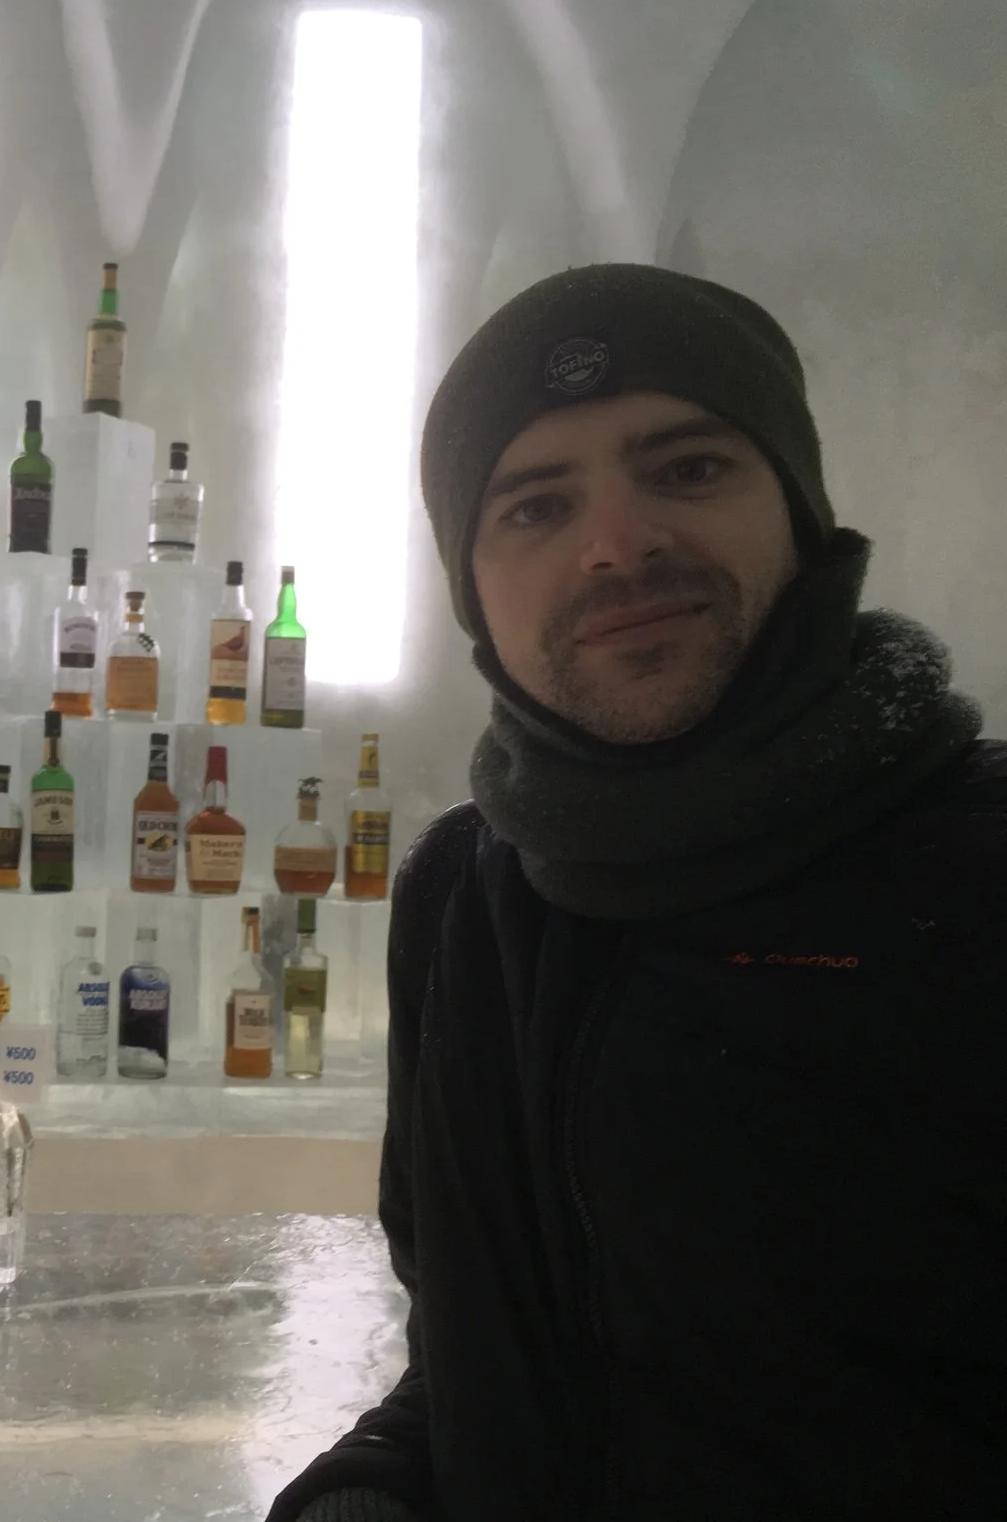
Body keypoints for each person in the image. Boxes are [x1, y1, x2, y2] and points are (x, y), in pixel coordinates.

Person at [271, 264, 1005, 1522]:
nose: (614, 542)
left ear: (798, 509)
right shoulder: (465, 898)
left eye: (686, 470)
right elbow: (483, 1365)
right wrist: (366, 1494)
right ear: (473, 593)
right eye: (533, 506)